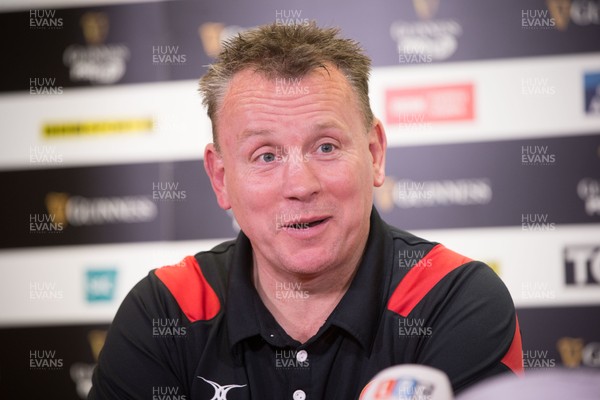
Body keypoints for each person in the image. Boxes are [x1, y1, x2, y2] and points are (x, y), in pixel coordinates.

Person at [89, 22, 522, 400]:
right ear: (220, 178)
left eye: (326, 147)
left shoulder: (453, 299)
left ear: (374, 154)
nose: (300, 185)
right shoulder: (166, 310)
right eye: (265, 156)